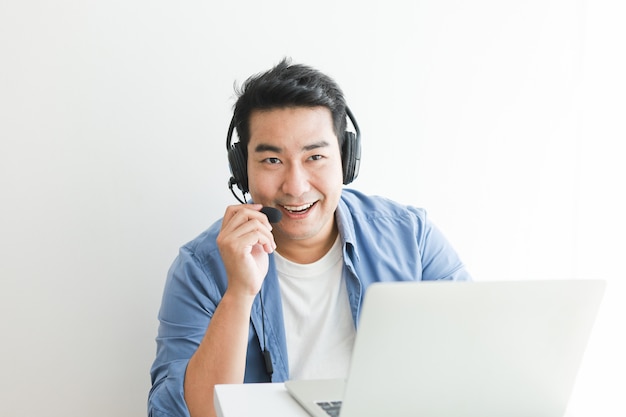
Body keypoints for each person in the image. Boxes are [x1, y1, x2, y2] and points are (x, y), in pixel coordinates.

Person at [148, 58, 472, 417]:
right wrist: (239, 294)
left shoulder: (412, 238)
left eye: (315, 156)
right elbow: (182, 412)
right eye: (272, 160)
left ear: (346, 160)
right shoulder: (201, 268)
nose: (296, 186)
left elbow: (478, 361)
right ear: (242, 170)